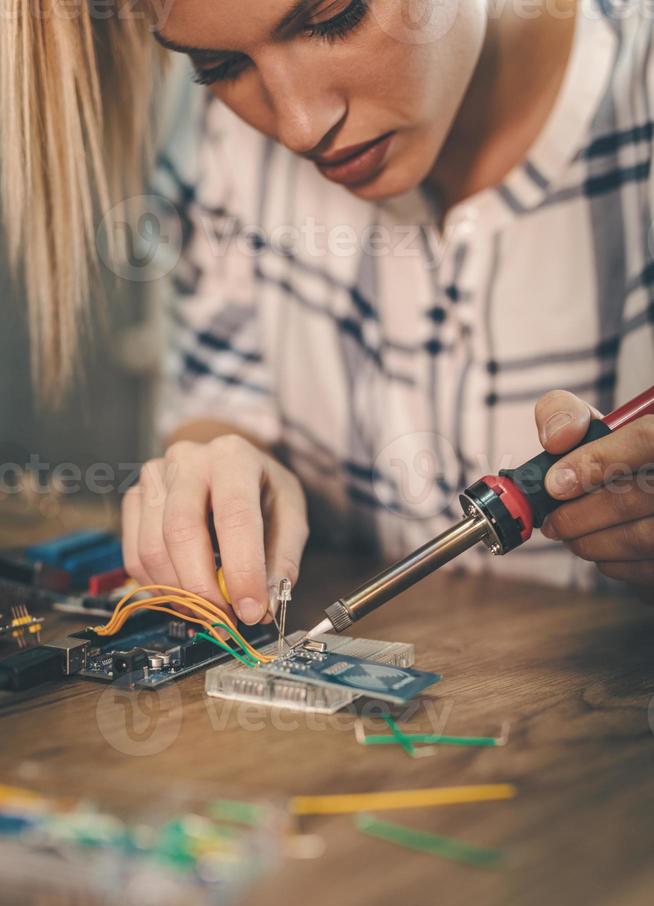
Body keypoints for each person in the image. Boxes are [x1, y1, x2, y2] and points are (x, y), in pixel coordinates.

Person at [3, 0, 653, 626]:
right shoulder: (219, 144)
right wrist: (217, 475)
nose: (299, 126)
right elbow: (222, 408)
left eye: (332, 16)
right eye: (219, 66)